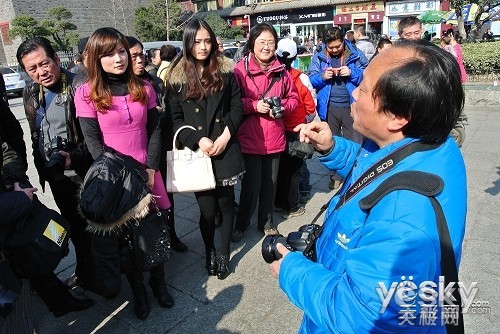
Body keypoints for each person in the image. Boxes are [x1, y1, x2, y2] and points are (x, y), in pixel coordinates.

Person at [269, 39, 467, 333]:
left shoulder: (404, 218)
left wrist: (291, 270)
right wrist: (332, 148)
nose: (354, 95)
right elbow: (375, 171)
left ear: (398, 117)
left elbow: (360, 317)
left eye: (362, 89)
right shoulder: (425, 144)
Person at [74, 27, 174, 320]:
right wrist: (126, 178)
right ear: (96, 58)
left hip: (148, 171)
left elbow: (155, 128)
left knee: (155, 231)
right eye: (109, 54)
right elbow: (93, 144)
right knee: (128, 241)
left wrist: (151, 168)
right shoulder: (87, 93)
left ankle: (159, 284)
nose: (118, 59)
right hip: (117, 178)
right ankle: (138, 291)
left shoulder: (144, 87)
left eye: (121, 51)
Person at [165, 19, 245, 279]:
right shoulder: (176, 79)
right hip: (199, 152)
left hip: (224, 147)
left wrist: (226, 135)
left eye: (207, 41)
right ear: (188, 43)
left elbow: (237, 108)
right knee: (207, 211)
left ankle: (222, 254)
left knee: (226, 205)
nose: (202, 47)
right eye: (197, 41)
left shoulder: (227, 71)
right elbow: (175, 119)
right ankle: (209, 249)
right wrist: (198, 139)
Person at [0, 103, 94, 320]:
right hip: (11, 205)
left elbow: (8, 148)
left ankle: (60, 294)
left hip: (17, 194)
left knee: (43, 235)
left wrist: (16, 180)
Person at [16, 36, 92, 288]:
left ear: (57, 59)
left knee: (96, 227)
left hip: (84, 173)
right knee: (73, 227)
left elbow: (94, 135)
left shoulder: (80, 85)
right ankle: (85, 271)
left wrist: (76, 156)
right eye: (33, 68)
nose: (41, 72)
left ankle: (104, 272)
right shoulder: (30, 92)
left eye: (44, 63)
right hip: (56, 174)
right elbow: (35, 134)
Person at [231, 22, 299, 242]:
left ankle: (267, 223)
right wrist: (253, 106)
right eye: (262, 42)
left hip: (275, 137)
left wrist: (282, 106)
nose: (266, 47)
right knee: (251, 187)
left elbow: (294, 99)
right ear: (252, 44)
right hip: (250, 137)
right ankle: (241, 223)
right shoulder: (239, 71)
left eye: (271, 42)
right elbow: (232, 104)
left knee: (270, 185)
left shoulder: (282, 70)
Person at [307, 27, 367, 189]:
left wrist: (352, 72)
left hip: (351, 105)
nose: (334, 50)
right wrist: (322, 77)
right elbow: (310, 79)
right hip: (328, 106)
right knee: (331, 142)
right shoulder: (319, 56)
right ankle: (334, 176)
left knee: (355, 141)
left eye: (337, 46)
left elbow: (367, 73)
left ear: (343, 42)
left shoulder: (355, 53)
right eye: (330, 47)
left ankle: (356, 175)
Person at [274, 38, 316, 219]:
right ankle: (291, 207)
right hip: (297, 130)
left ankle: (277, 202)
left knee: (279, 169)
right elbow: (311, 106)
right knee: (294, 172)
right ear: (295, 57)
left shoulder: (273, 77)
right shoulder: (301, 78)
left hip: (276, 130)